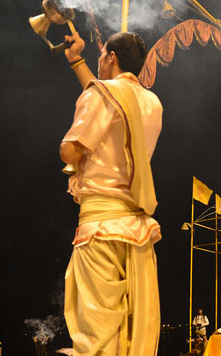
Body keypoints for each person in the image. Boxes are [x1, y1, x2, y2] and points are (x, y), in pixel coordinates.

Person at [60, 31, 163, 355]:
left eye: (101, 54)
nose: (99, 60)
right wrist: (77, 62)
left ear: (111, 57)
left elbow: (71, 151)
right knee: (131, 331)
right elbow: (113, 102)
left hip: (100, 227)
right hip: (136, 229)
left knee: (98, 331)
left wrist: (69, 147)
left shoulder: (103, 94)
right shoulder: (151, 101)